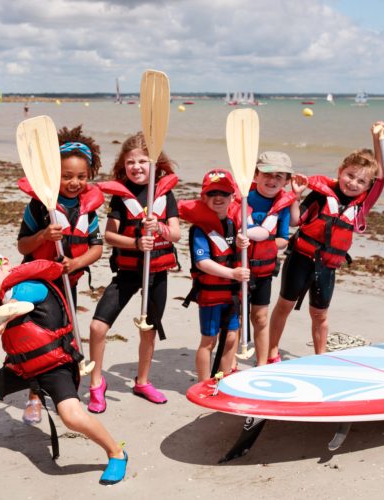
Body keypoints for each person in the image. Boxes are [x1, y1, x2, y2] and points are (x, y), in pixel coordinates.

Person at [0, 247, 128, 486]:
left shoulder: (31, 286)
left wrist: (0, 321)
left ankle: (116, 452)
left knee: (71, 416)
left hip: (55, 365)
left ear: (5, 264)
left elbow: (17, 305)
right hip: (20, 367)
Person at [268, 122, 384, 358]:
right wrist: (295, 196)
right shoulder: (320, 195)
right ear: (340, 171)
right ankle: (272, 350)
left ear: (368, 186)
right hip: (300, 259)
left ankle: (321, 357)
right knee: (284, 306)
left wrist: (377, 139)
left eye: (361, 181)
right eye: (350, 175)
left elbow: (381, 178)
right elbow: (295, 221)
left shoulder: (362, 205)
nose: (353, 183)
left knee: (320, 315)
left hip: (327, 267)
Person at [16, 125, 104, 425]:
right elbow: (22, 245)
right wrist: (43, 235)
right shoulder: (39, 206)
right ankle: (34, 397)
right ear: (54, 174)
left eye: (81, 176)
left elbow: (96, 248)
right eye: (67, 176)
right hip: (38, 285)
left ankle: (65, 394)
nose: (75, 182)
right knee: (37, 340)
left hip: (68, 284)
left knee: (66, 339)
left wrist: (75, 263)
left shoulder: (88, 209)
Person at [87, 132, 181, 413]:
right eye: (131, 162)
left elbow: (175, 234)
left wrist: (159, 228)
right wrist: (137, 243)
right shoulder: (121, 197)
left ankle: (142, 382)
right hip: (128, 272)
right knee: (97, 327)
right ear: (123, 165)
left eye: (142, 161)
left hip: (156, 273)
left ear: (155, 164)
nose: (136, 167)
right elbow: (110, 236)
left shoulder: (165, 194)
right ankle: (96, 383)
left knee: (148, 330)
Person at [178, 169, 250, 381]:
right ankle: (203, 383)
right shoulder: (199, 229)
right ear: (203, 197)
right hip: (210, 295)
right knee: (209, 340)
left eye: (224, 193)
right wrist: (232, 273)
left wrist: (243, 244)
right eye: (212, 193)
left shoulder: (236, 225)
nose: (218, 197)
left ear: (233, 197)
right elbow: (202, 262)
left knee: (231, 338)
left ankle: (223, 378)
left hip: (232, 294)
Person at [244, 152, 306, 365]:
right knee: (236, 318)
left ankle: (262, 364)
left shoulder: (284, 204)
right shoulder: (243, 198)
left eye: (279, 176)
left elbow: (283, 239)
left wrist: (262, 239)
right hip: (239, 268)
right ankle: (230, 364)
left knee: (260, 317)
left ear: (286, 181)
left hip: (264, 271)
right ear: (255, 175)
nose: (272, 180)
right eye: (267, 174)